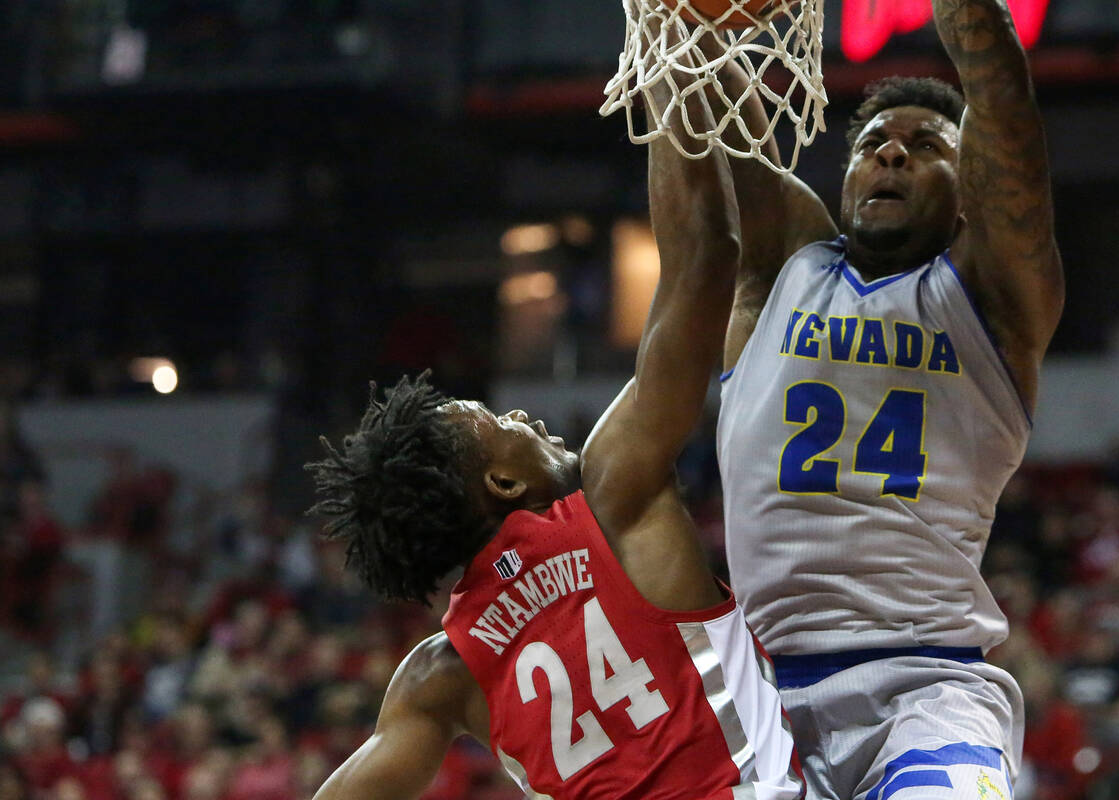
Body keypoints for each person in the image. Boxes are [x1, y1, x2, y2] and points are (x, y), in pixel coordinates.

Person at [306, 80, 803, 800]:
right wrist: (668, 72)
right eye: (500, 423)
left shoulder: (440, 676)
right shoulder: (611, 494)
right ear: (503, 485)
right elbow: (707, 259)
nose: (527, 421)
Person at [674, 1, 1063, 798]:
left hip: (926, 687)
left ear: (968, 194)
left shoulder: (991, 295)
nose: (891, 151)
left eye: (926, 145)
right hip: (756, 697)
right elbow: (718, 112)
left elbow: (1006, 109)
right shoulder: (786, 263)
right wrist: (684, 21)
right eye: (872, 143)